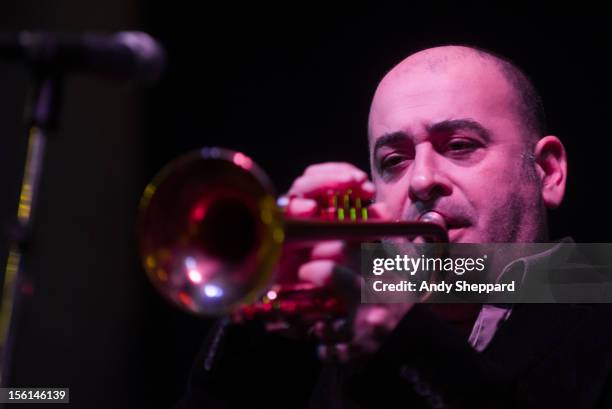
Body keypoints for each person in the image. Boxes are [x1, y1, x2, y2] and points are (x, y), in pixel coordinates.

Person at [177, 45, 612, 408]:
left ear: (548, 172)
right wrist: (263, 319)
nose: (421, 181)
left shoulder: (597, 307)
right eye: (394, 161)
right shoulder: (343, 325)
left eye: (460, 146)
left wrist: (399, 340)